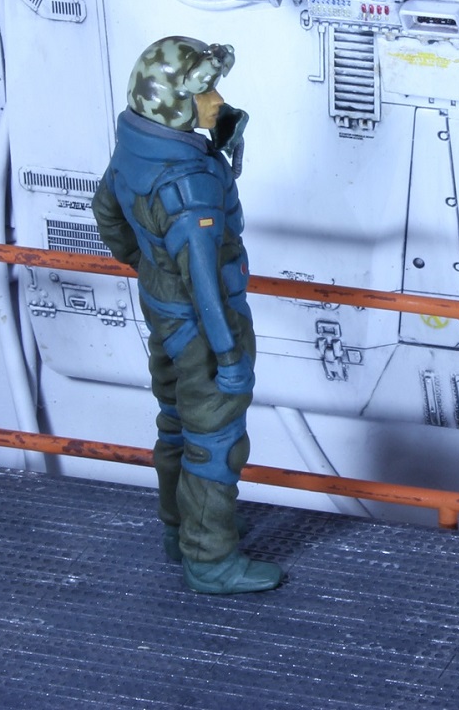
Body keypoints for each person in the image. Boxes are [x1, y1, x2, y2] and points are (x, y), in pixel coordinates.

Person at [91, 36, 284, 594]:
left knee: (176, 422)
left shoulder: (137, 148)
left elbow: (106, 212)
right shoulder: (189, 181)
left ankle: (182, 531)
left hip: (162, 313)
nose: (216, 100)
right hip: (205, 328)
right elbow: (204, 283)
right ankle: (211, 560)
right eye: (203, 91)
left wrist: (149, 266)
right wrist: (228, 356)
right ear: (173, 102)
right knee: (216, 440)